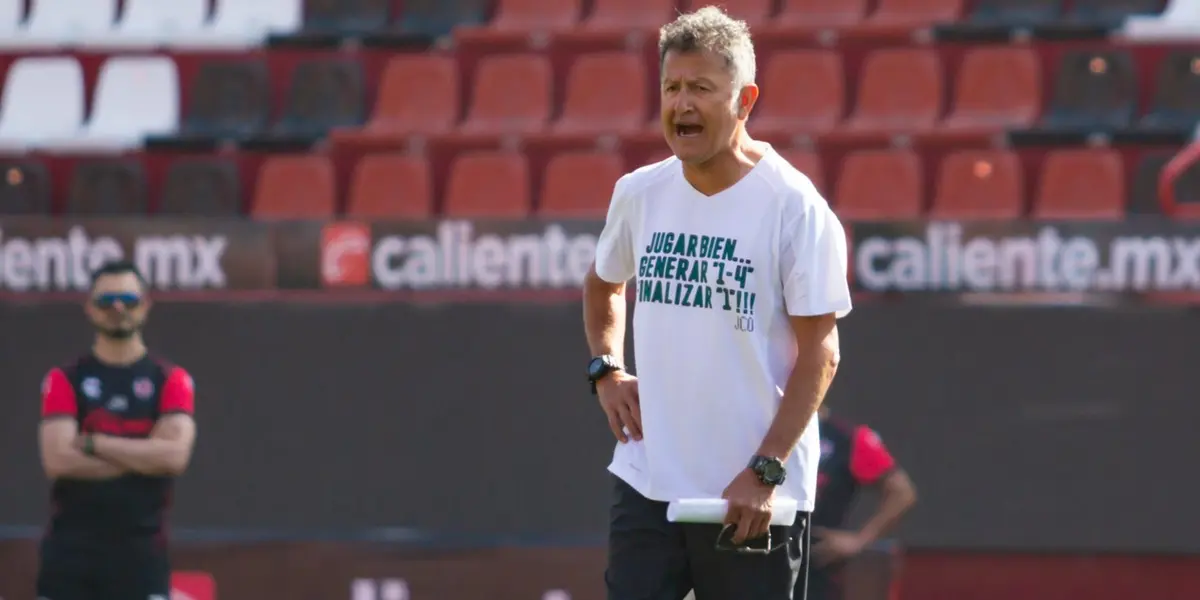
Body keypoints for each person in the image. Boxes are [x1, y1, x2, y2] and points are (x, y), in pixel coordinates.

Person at [582, 6, 852, 599]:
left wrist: (766, 469)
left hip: (753, 494)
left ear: (745, 100)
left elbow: (822, 353)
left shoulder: (794, 206)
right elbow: (603, 283)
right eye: (671, 88)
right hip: (648, 481)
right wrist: (606, 369)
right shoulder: (639, 192)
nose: (681, 104)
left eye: (701, 89)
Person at [36, 260, 198, 600]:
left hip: (141, 557)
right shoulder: (64, 379)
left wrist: (94, 444)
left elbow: (173, 458)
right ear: (90, 309)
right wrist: (143, 454)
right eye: (106, 301)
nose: (118, 309)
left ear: (146, 305)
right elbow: (58, 461)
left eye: (128, 300)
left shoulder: (171, 380)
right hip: (70, 558)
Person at [804, 406, 917, 600]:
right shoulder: (767, 432)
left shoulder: (847, 438)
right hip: (763, 552)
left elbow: (902, 493)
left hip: (814, 561)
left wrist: (860, 539)